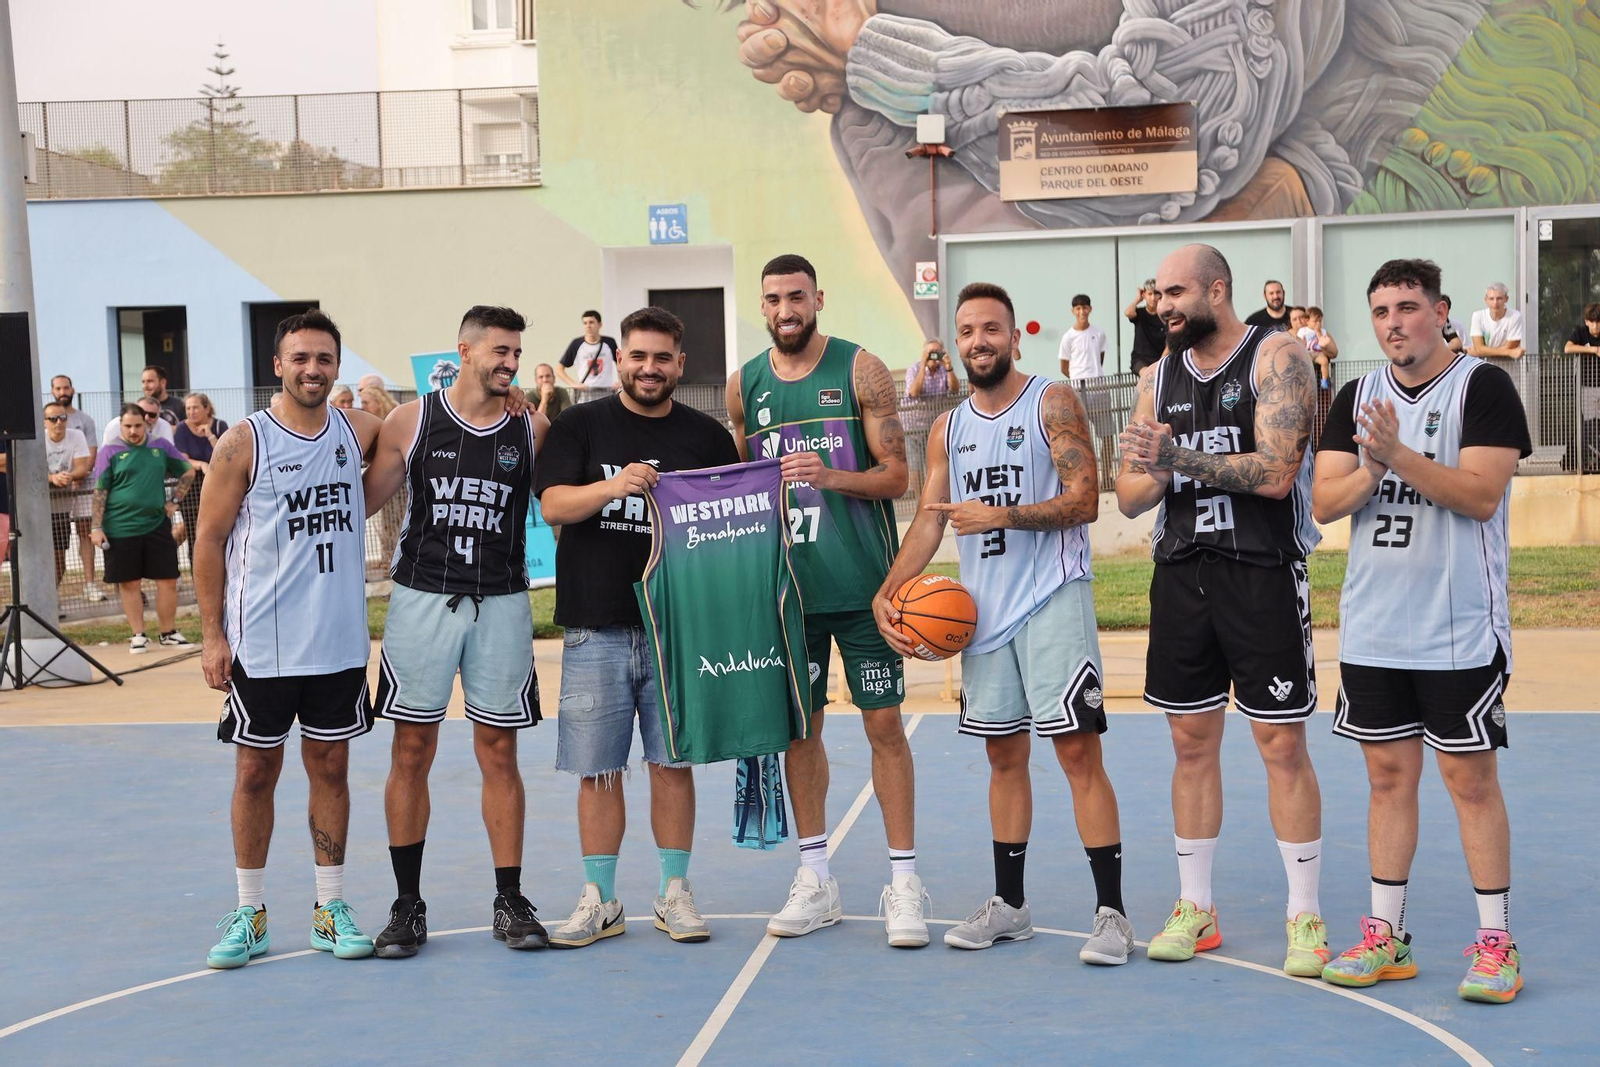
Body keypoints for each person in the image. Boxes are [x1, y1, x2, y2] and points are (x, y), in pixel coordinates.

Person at [874, 282, 1134, 964]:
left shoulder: (1052, 399)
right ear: (955, 343)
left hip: (1052, 596)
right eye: (967, 331)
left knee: (1077, 751)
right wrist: (891, 590)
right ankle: (1010, 905)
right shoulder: (945, 428)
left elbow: (1085, 499)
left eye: (992, 329)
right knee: (1002, 755)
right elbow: (930, 517)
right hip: (981, 613)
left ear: (1014, 337)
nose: (978, 341)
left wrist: (1002, 515)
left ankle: (1112, 913)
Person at [1313, 258, 1532, 1003]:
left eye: (1407, 306)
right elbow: (1322, 500)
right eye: (1380, 311)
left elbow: (1478, 494)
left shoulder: (1484, 387)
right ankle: (1387, 935)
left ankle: (1497, 943)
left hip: (1457, 627)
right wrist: (1373, 473)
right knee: (1386, 778)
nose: (1393, 322)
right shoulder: (1355, 395)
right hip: (1374, 627)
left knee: (1469, 780)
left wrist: (1398, 454)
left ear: (1442, 312)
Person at [1116, 244, 1329, 976]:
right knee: (1190, 745)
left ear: (1217, 288)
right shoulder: (1155, 377)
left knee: (1281, 746)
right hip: (1181, 572)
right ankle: (1196, 907)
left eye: (1176, 291)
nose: (1164, 304)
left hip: (1261, 571)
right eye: (1158, 294)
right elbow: (1129, 493)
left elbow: (1275, 473)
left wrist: (1178, 461)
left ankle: (1305, 914)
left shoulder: (1279, 356)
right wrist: (1155, 466)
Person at [725, 253, 927, 948]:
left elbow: (898, 474)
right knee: (800, 732)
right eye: (774, 299)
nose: (786, 309)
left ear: (818, 298)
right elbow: (742, 485)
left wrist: (832, 476)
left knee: (883, 728)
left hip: (863, 587)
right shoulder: (742, 386)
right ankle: (816, 877)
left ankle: (904, 882)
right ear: (763, 306)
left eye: (797, 297)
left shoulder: (860, 368)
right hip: (789, 592)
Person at [535, 305, 740, 948]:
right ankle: (600, 900)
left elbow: (730, 527)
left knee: (670, 763)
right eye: (638, 356)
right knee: (598, 769)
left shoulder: (707, 438)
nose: (649, 368)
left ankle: (674, 893)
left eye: (662, 357)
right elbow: (552, 507)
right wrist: (615, 487)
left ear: (680, 364)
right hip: (597, 623)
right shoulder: (580, 424)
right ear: (618, 358)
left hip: (677, 625)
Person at [193, 309, 386, 970]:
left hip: (336, 642)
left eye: (324, 359)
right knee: (255, 770)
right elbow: (209, 540)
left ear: (337, 365)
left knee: (331, 766)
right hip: (263, 645)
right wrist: (212, 634)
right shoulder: (243, 442)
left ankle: (329, 906)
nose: (312, 369)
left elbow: (399, 436)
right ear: (277, 364)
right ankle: (250, 909)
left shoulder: (356, 429)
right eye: (299, 358)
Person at [364, 305, 550, 958]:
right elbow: (360, 500)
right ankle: (407, 903)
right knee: (410, 751)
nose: (509, 362)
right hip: (422, 599)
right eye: (499, 350)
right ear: (465, 350)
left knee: (499, 752)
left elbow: (560, 501)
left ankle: (509, 896)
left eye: (516, 353)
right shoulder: (411, 422)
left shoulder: (531, 429)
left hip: (500, 601)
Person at [90, 403, 195, 653]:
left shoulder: (160, 446)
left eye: (138, 425)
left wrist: (174, 501)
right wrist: (96, 527)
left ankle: (168, 632)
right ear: (120, 425)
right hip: (120, 528)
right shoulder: (109, 450)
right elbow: (100, 491)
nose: (133, 430)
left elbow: (188, 471)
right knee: (130, 583)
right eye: (128, 426)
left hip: (156, 524)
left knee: (169, 579)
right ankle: (138, 634)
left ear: (146, 424)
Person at [172, 394, 228, 567]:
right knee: (195, 535)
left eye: (195, 407)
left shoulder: (220, 425)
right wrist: (202, 465)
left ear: (206, 408)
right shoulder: (182, 429)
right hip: (192, 490)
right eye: (188, 408)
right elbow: (183, 458)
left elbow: (226, 455)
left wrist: (210, 435)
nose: (191, 412)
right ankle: (198, 579)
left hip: (218, 488)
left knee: (221, 533)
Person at [43, 401, 92, 585]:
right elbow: (30, 471)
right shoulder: (38, 439)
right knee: (41, 555)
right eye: (53, 419)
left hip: (61, 506)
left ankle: (53, 596)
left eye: (62, 418)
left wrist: (67, 476)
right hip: (40, 506)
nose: (58, 422)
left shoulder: (76, 435)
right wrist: (51, 478)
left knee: (59, 557)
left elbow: (82, 468)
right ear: (45, 422)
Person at [357, 382, 403, 572]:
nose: (363, 407)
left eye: (367, 402)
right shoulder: (369, 422)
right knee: (385, 523)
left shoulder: (392, 420)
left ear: (379, 402)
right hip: (382, 479)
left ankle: (395, 557)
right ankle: (387, 557)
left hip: (398, 485)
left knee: (396, 520)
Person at [904, 339, 955, 494]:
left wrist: (949, 368)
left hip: (934, 425)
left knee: (937, 462)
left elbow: (954, 390)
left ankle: (938, 495)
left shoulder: (944, 369)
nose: (934, 357)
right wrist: (923, 365)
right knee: (916, 465)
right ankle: (921, 499)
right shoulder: (914, 368)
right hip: (913, 426)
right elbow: (914, 392)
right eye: (930, 352)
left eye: (937, 352)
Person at [557, 310, 619, 391]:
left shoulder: (609, 342)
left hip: (606, 391)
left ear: (600, 324)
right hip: (585, 393)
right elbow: (559, 369)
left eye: (591, 322)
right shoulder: (577, 344)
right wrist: (574, 384)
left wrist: (621, 381)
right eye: (585, 323)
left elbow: (621, 363)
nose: (588, 326)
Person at [1468, 283, 1524, 359]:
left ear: (1506, 299)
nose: (1495, 303)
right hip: (1484, 365)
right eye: (1491, 299)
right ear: (1486, 300)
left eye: (1499, 298)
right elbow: (1479, 348)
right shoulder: (1478, 316)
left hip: (1507, 367)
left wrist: (1482, 351)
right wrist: (1509, 352)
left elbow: (1511, 346)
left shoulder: (1515, 316)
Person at [1058, 294, 1107, 381]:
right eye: (1078, 308)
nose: (1082, 312)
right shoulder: (1068, 337)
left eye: (1085, 308)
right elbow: (1064, 367)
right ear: (1073, 311)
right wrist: (1076, 379)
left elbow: (1100, 359)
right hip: (1078, 387)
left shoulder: (1099, 333)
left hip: (1099, 386)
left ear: (1090, 309)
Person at [1124, 279, 1167, 375]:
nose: (1153, 298)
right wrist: (1137, 299)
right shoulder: (1140, 314)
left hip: (1159, 359)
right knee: (1147, 375)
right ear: (1144, 295)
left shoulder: (1165, 316)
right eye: (1149, 294)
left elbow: (1169, 345)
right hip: (1140, 359)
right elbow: (1128, 313)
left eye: (1156, 294)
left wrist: (1159, 364)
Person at [102, 398, 174, 447]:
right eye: (143, 413)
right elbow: (105, 453)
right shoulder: (114, 426)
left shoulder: (164, 426)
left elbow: (170, 452)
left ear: (158, 415)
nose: (146, 418)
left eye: (152, 415)